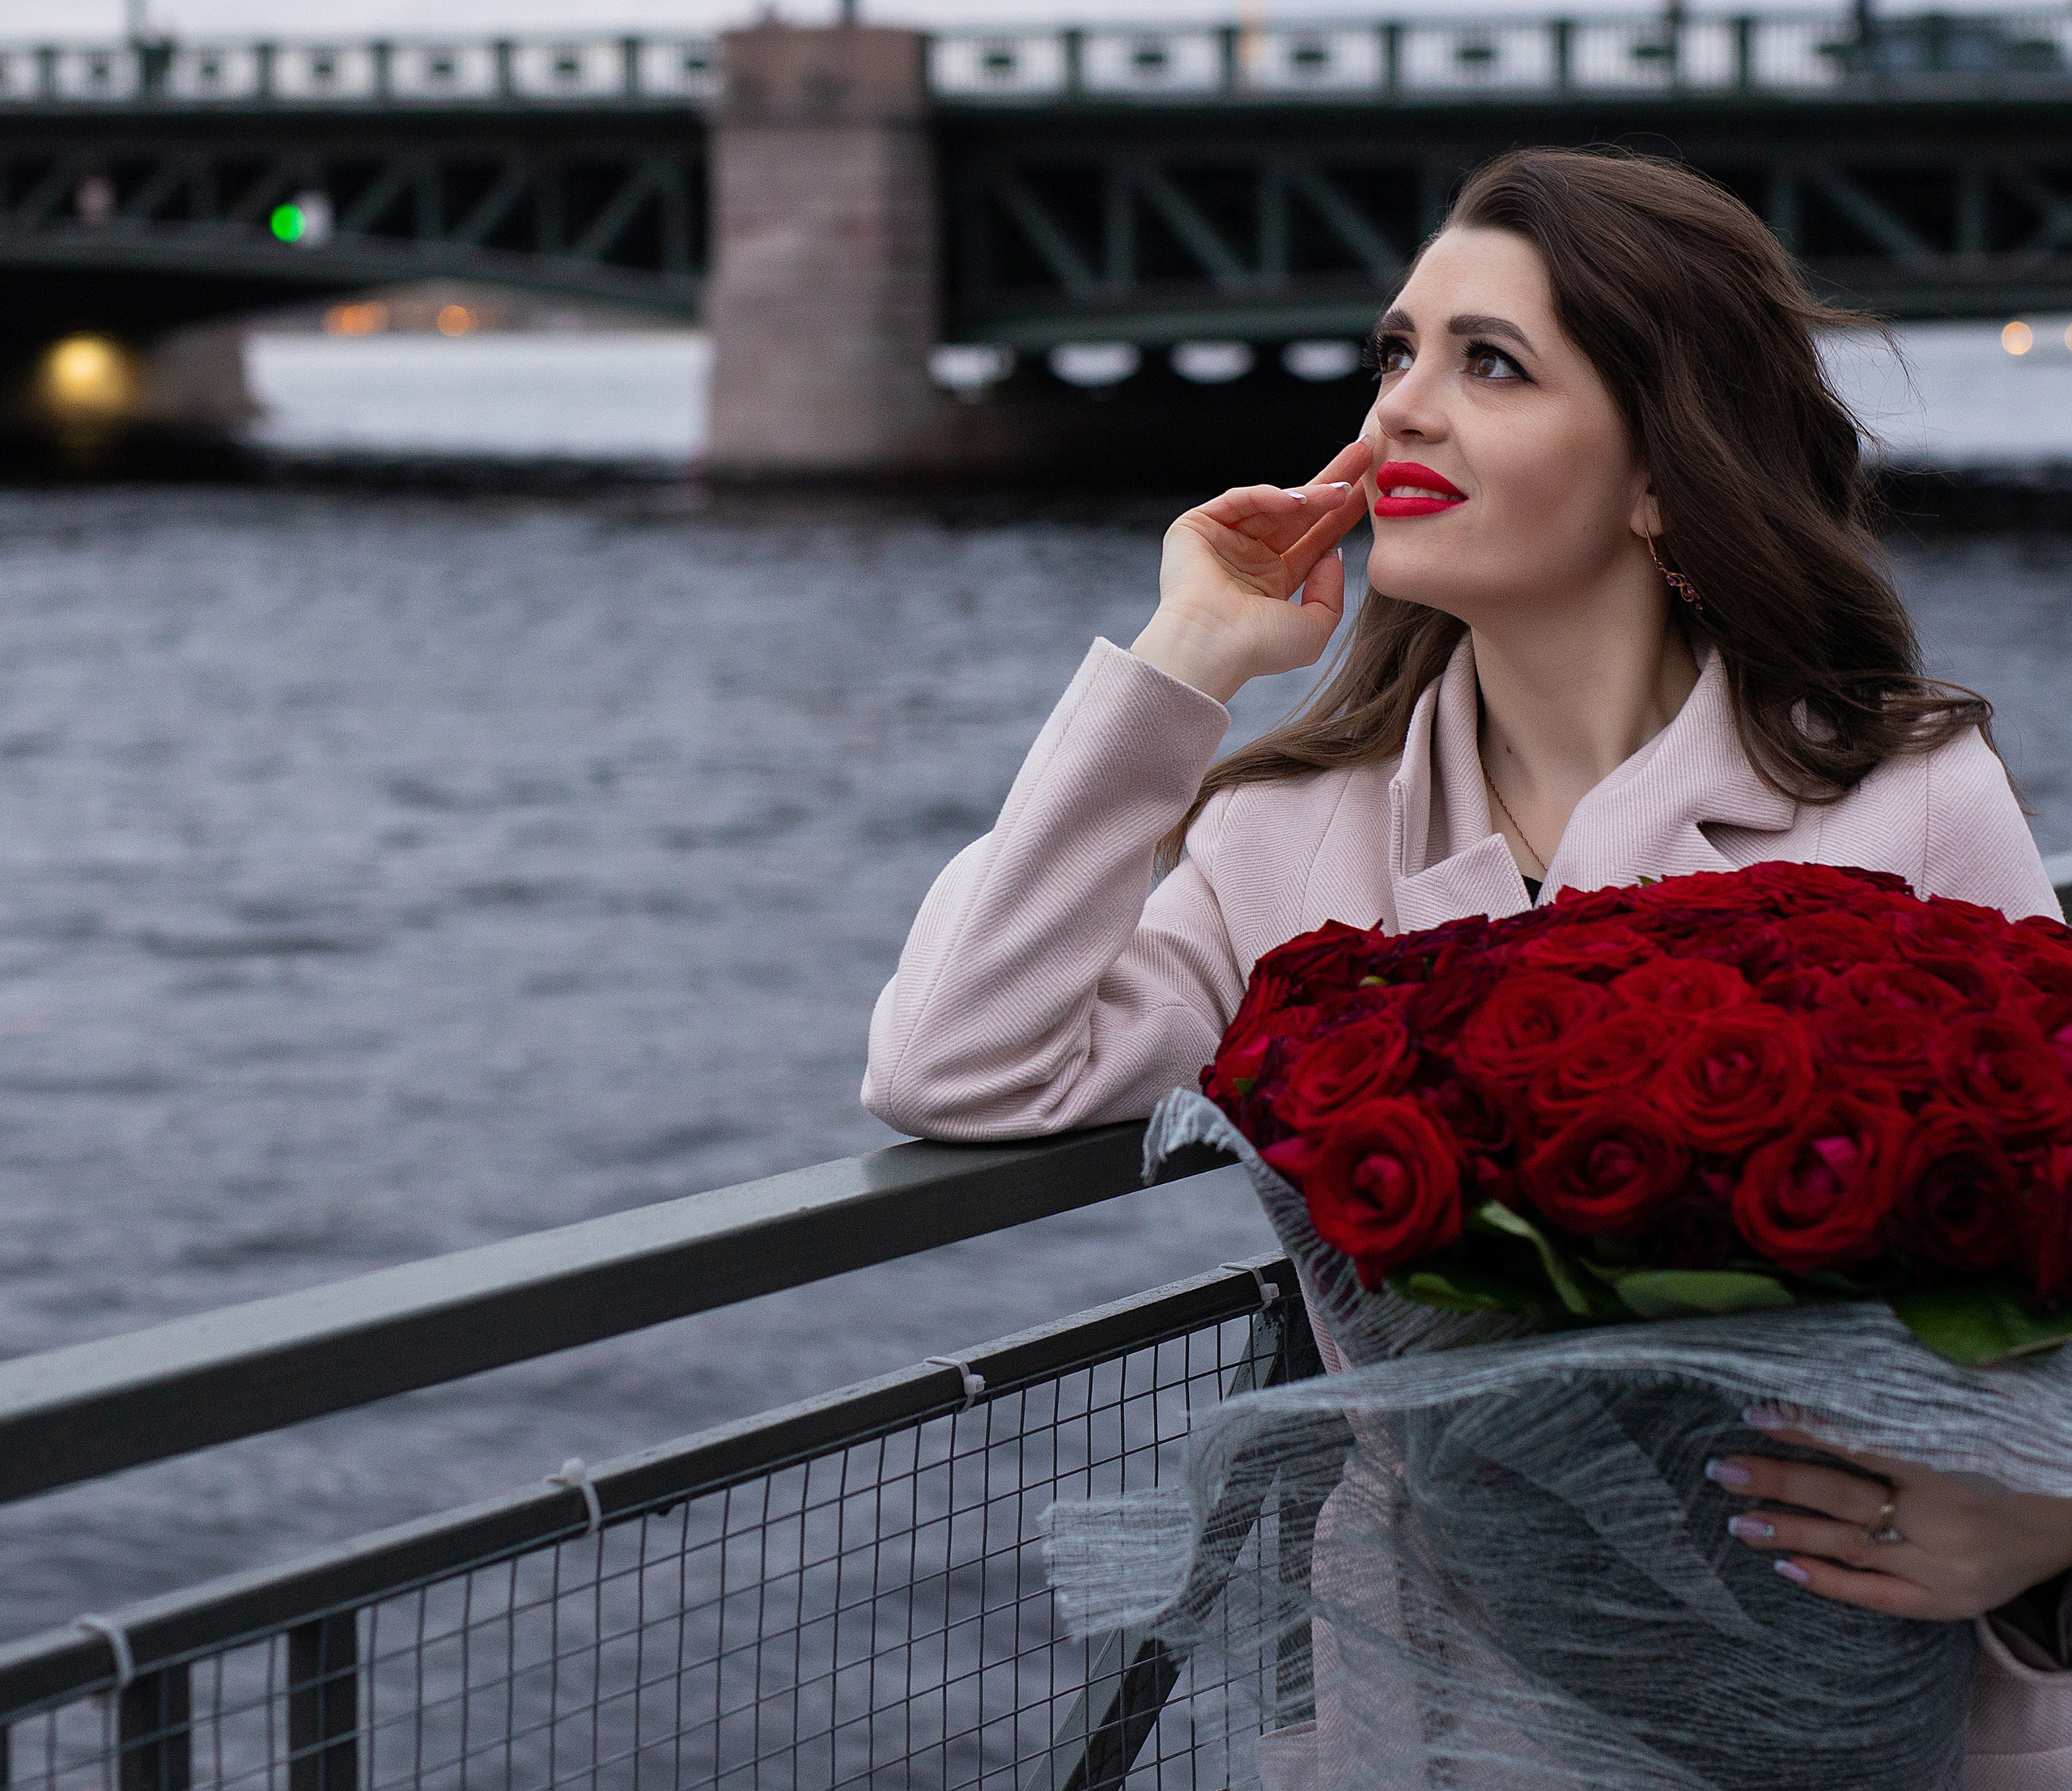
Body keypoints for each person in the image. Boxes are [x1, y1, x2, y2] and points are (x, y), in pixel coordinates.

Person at [862, 146, 2072, 1781]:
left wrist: (2039, 1520)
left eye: (1484, 363)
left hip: (1861, 1686)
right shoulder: (1285, 832)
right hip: (1436, 1710)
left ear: (1658, 471)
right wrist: (1182, 664)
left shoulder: (1896, 786)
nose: (1397, 412)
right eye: (1395, 353)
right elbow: (958, 1064)